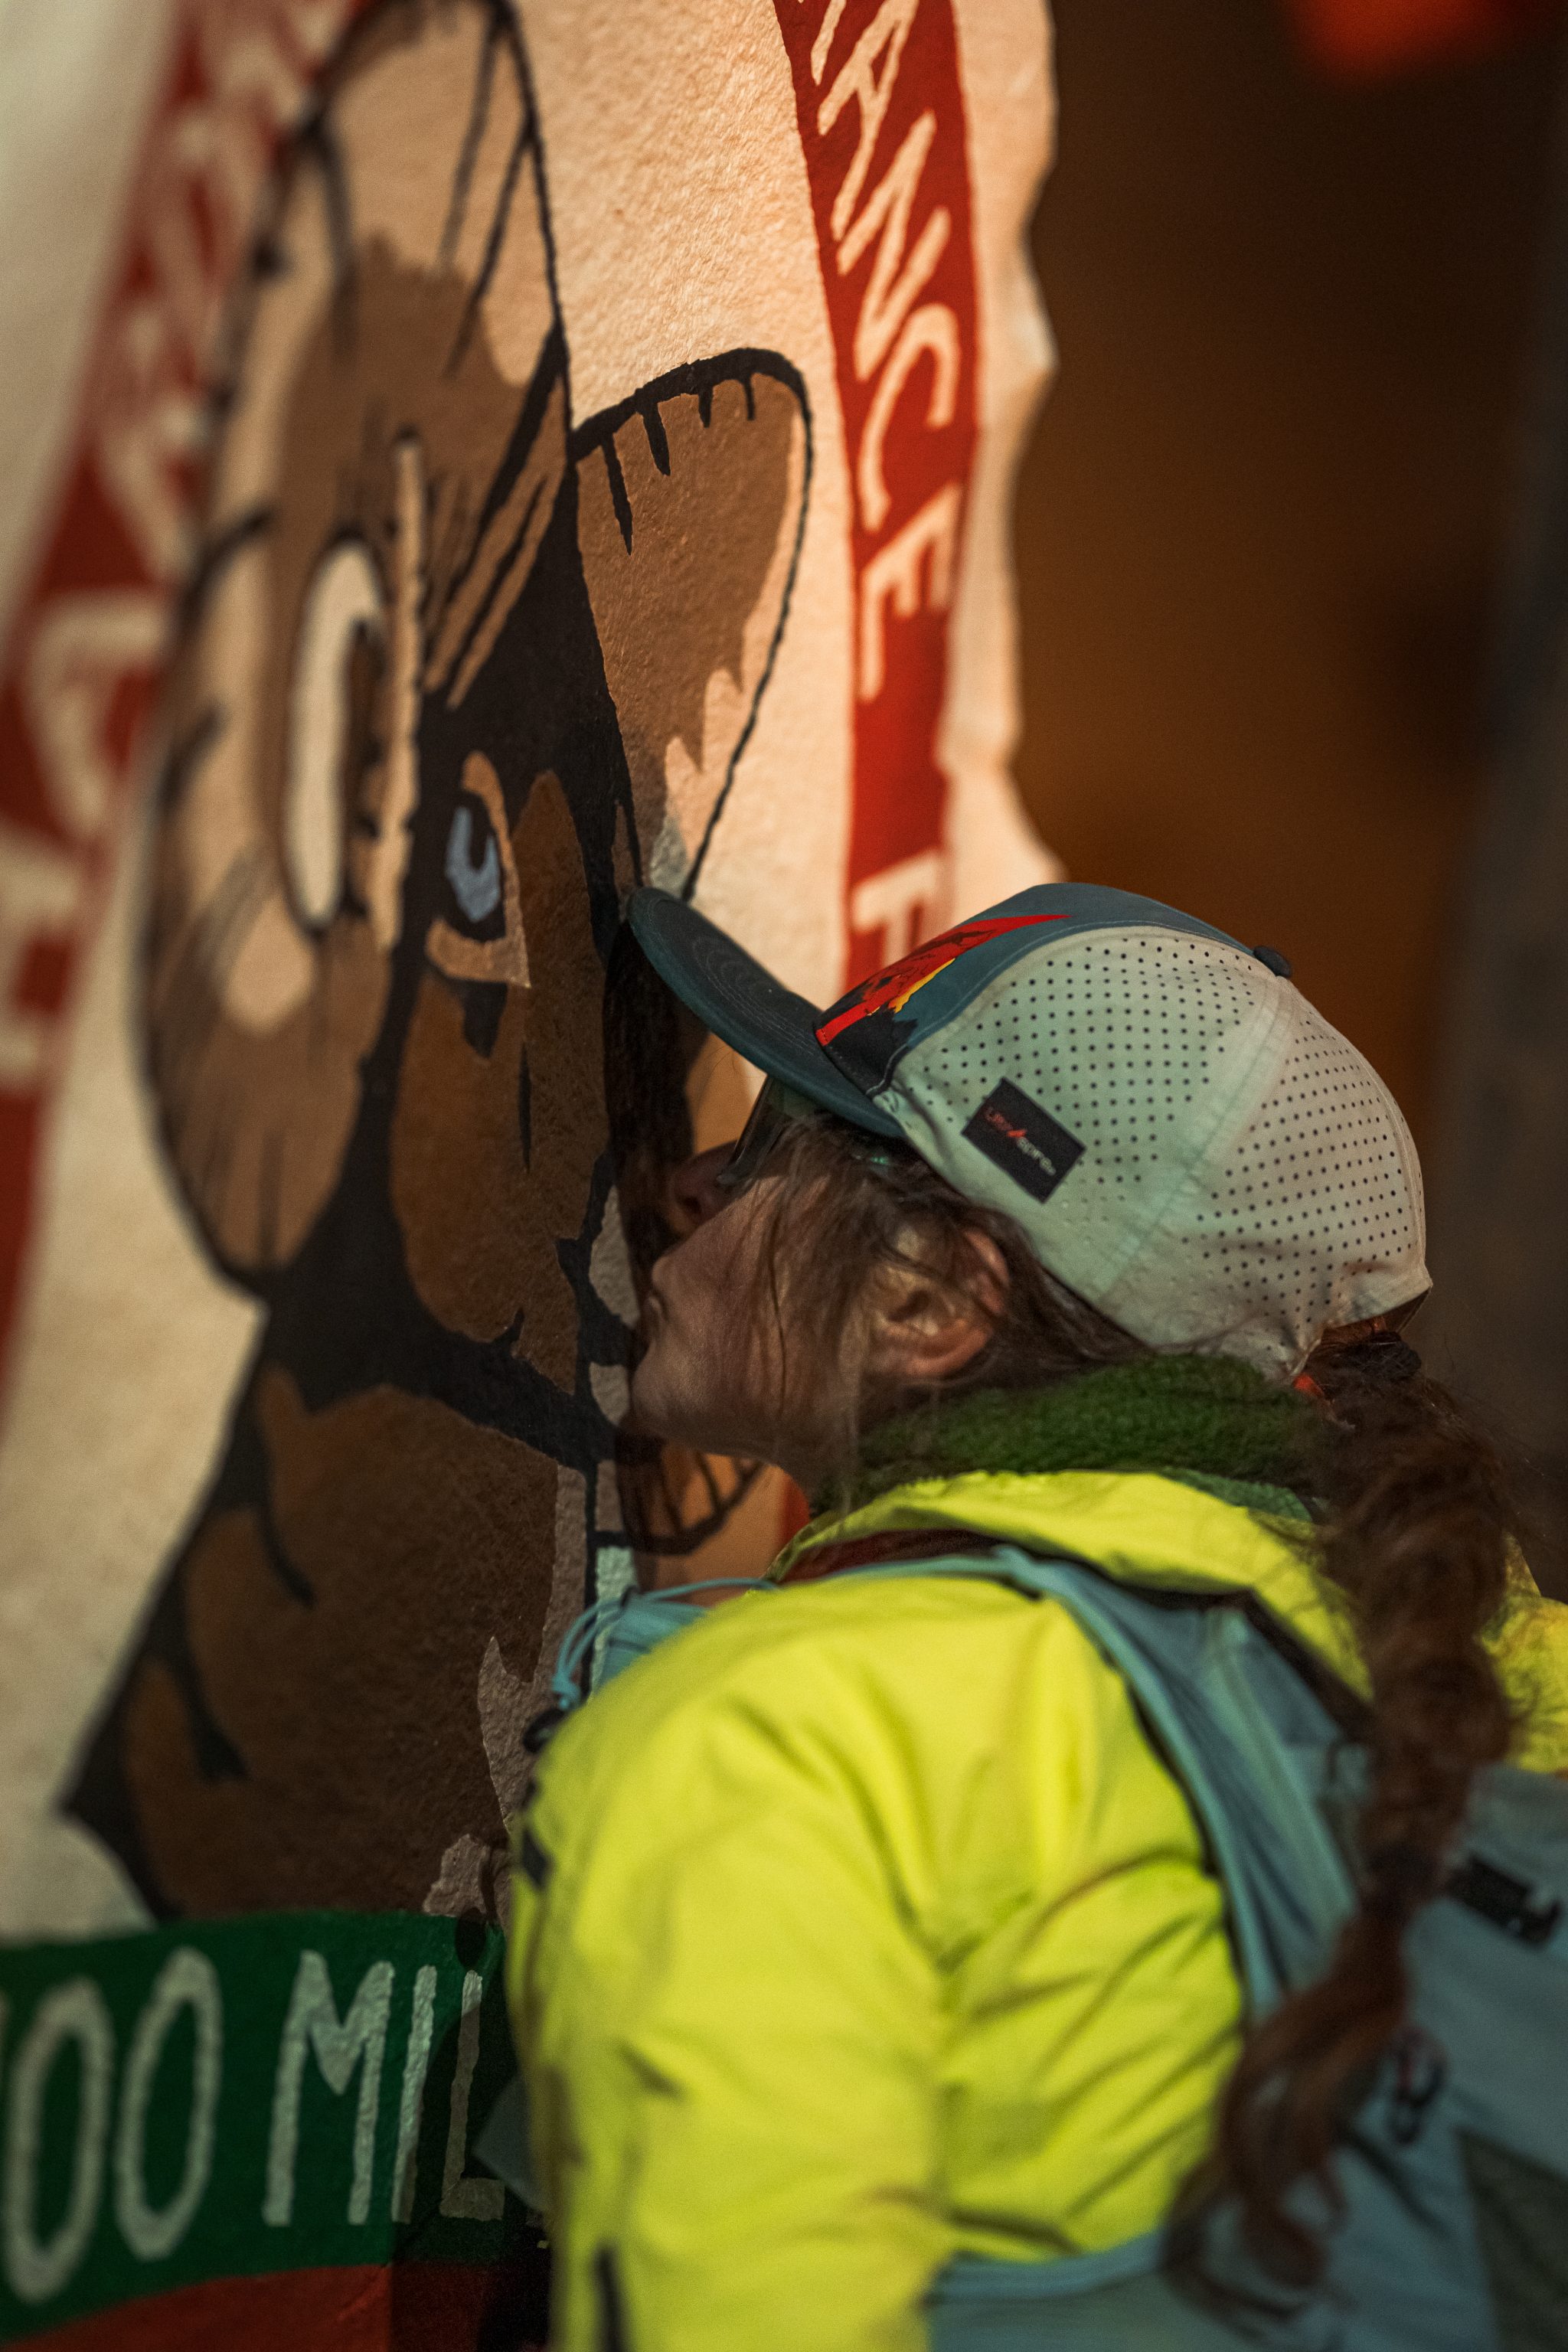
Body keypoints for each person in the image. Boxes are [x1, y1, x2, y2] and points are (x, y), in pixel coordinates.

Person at [503, 881, 1568, 2352]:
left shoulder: (779, 1743)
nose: (691, 1183)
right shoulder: (1499, 1665)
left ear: (928, 1307)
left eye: (777, 1148)